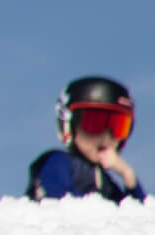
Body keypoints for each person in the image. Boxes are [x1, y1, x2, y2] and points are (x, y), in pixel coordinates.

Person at [27, 76, 146, 204]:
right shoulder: (57, 162)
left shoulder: (104, 183)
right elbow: (64, 204)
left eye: (117, 127)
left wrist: (128, 175)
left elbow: (136, 217)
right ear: (69, 125)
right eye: (94, 124)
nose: (106, 137)